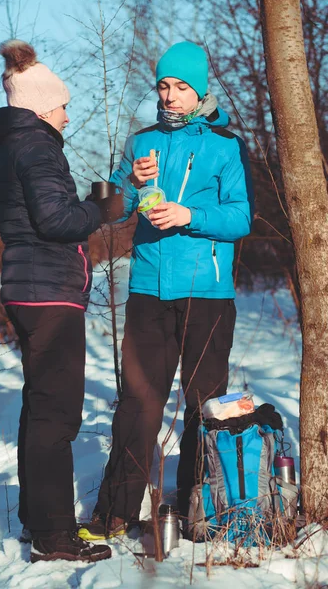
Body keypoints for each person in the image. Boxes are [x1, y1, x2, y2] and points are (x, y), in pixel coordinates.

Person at [78, 41, 254, 541]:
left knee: (204, 403)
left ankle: (199, 513)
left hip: (208, 293)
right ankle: (113, 513)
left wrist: (189, 216)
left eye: (182, 87)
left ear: (200, 92)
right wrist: (130, 182)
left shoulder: (226, 146)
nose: (171, 95)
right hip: (149, 290)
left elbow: (242, 216)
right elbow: (108, 207)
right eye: (164, 85)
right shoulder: (141, 141)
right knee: (137, 403)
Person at [0, 40, 117, 563]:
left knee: (41, 408)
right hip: (48, 293)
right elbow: (58, 222)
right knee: (57, 415)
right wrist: (100, 208)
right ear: (40, 107)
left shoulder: (15, 145)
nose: (67, 112)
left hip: (30, 289)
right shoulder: (37, 146)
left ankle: (40, 521)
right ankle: (56, 535)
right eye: (62, 104)